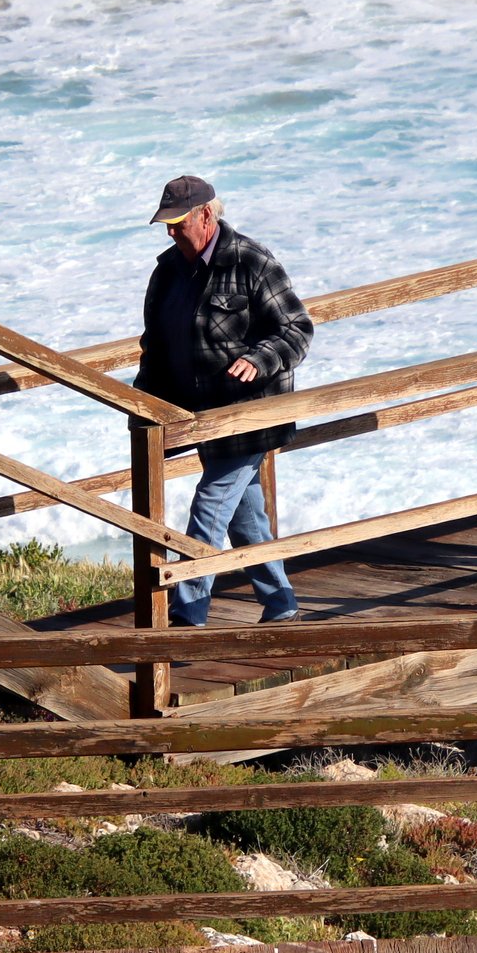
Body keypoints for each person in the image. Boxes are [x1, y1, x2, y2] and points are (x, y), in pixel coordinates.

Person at [133, 175, 314, 625]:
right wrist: (143, 408)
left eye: (178, 223)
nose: (172, 233)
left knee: (211, 504)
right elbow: (154, 347)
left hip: (251, 413)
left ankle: (186, 617)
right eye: (167, 225)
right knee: (244, 517)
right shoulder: (167, 272)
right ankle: (281, 603)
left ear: (207, 215)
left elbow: (296, 328)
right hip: (200, 416)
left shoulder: (251, 260)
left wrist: (261, 358)